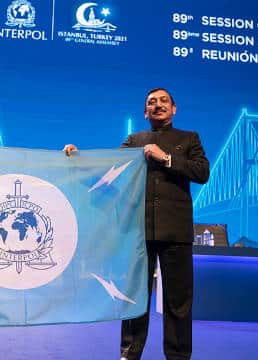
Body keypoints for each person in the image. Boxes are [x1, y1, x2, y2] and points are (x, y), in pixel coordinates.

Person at [64, 88, 210, 360]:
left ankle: (178, 356)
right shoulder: (135, 140)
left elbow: (202, 172)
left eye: (163, 101)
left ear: (174, 109)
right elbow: (107, 168)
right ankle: (129, 354)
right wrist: (78, 158)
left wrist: (164, 157)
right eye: (151, 103)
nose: (158, 105)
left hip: (176, 234)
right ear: (145, 112)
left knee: (178, 303)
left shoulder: (189, 139)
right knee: (134, 299)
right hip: (137, 232)